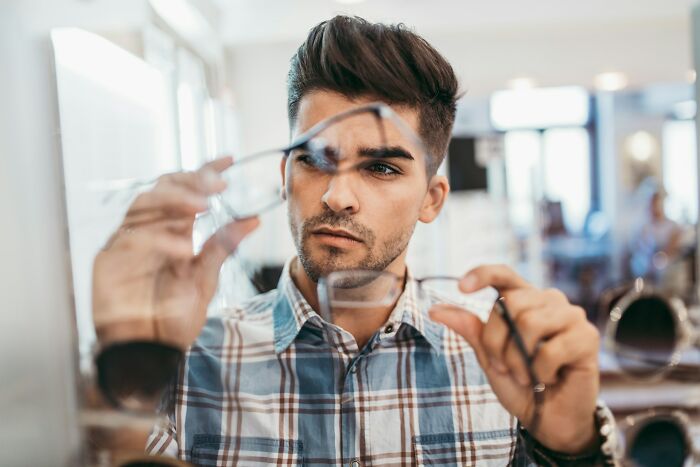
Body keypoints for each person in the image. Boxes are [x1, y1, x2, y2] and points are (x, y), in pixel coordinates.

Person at [93, 16, 615, 466]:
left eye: (382, 166)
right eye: (315, 160)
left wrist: (570, 450)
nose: (338, 195)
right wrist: (128, 375)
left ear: (431, 199)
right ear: (283, 175)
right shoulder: (188, 362)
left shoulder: (505, 369)